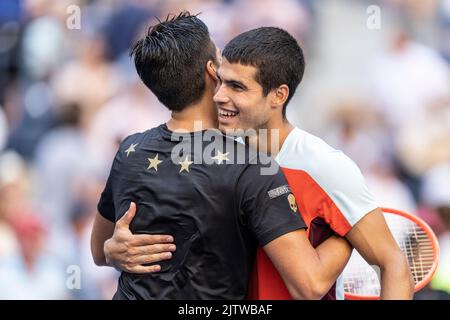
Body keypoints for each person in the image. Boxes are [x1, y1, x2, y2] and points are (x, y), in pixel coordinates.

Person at [102, 18, 414, 300]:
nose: (220, 95)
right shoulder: (213, 156)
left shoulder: (326, 166)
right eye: (221, 81)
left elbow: (392, 264)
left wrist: (343, 230)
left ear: (278, 95)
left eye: (237, 87)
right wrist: (112, 251)